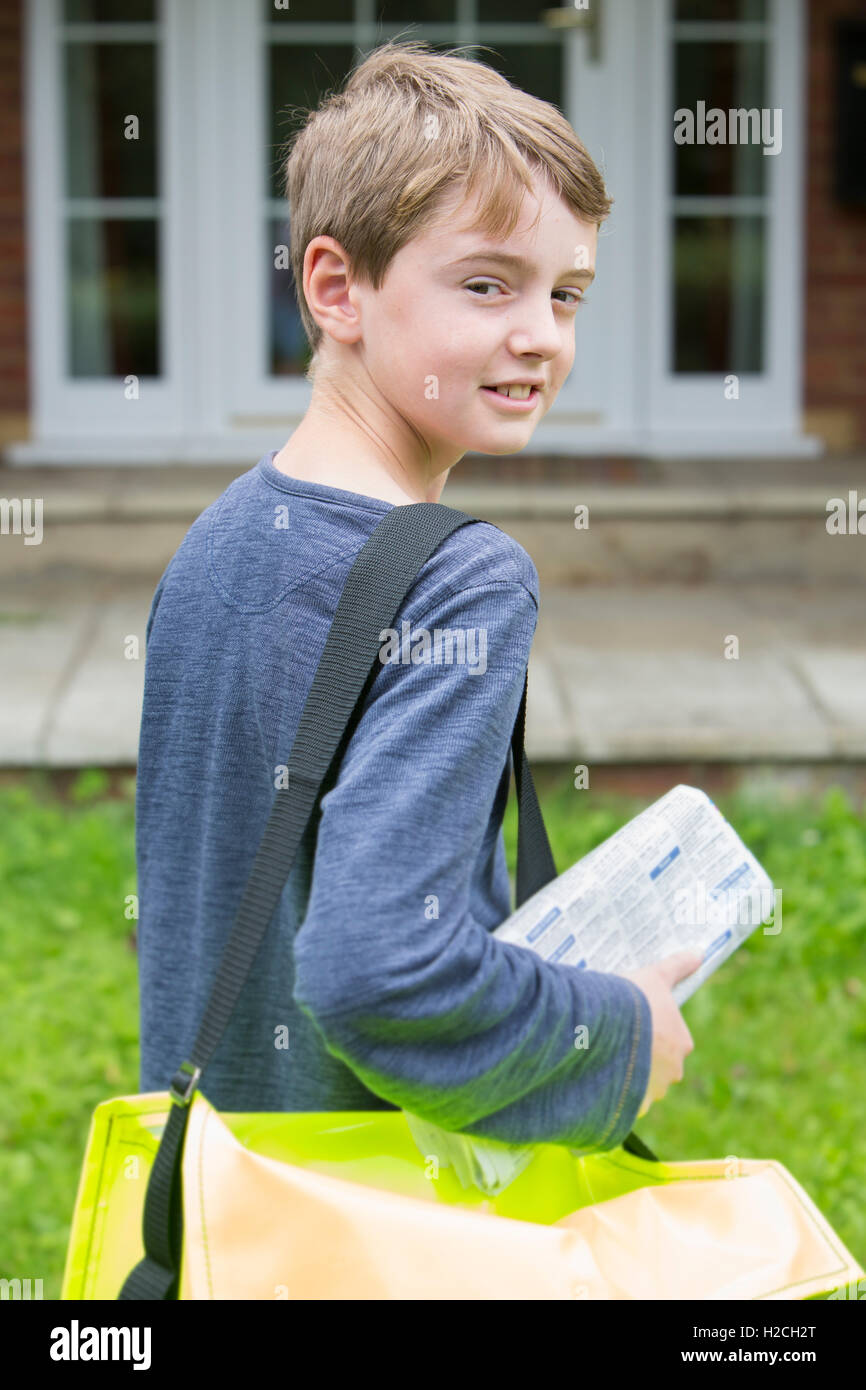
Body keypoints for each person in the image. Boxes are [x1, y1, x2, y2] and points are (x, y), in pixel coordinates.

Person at [135, 38, 699, 1149]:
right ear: (338, 287)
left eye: (567, 293)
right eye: (487, 283)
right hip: (383, 1227)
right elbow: (375, 971)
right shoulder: (458, 577)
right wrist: (617, 1036)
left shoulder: (218, 538)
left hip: (230, 1205)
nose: (540, 334)